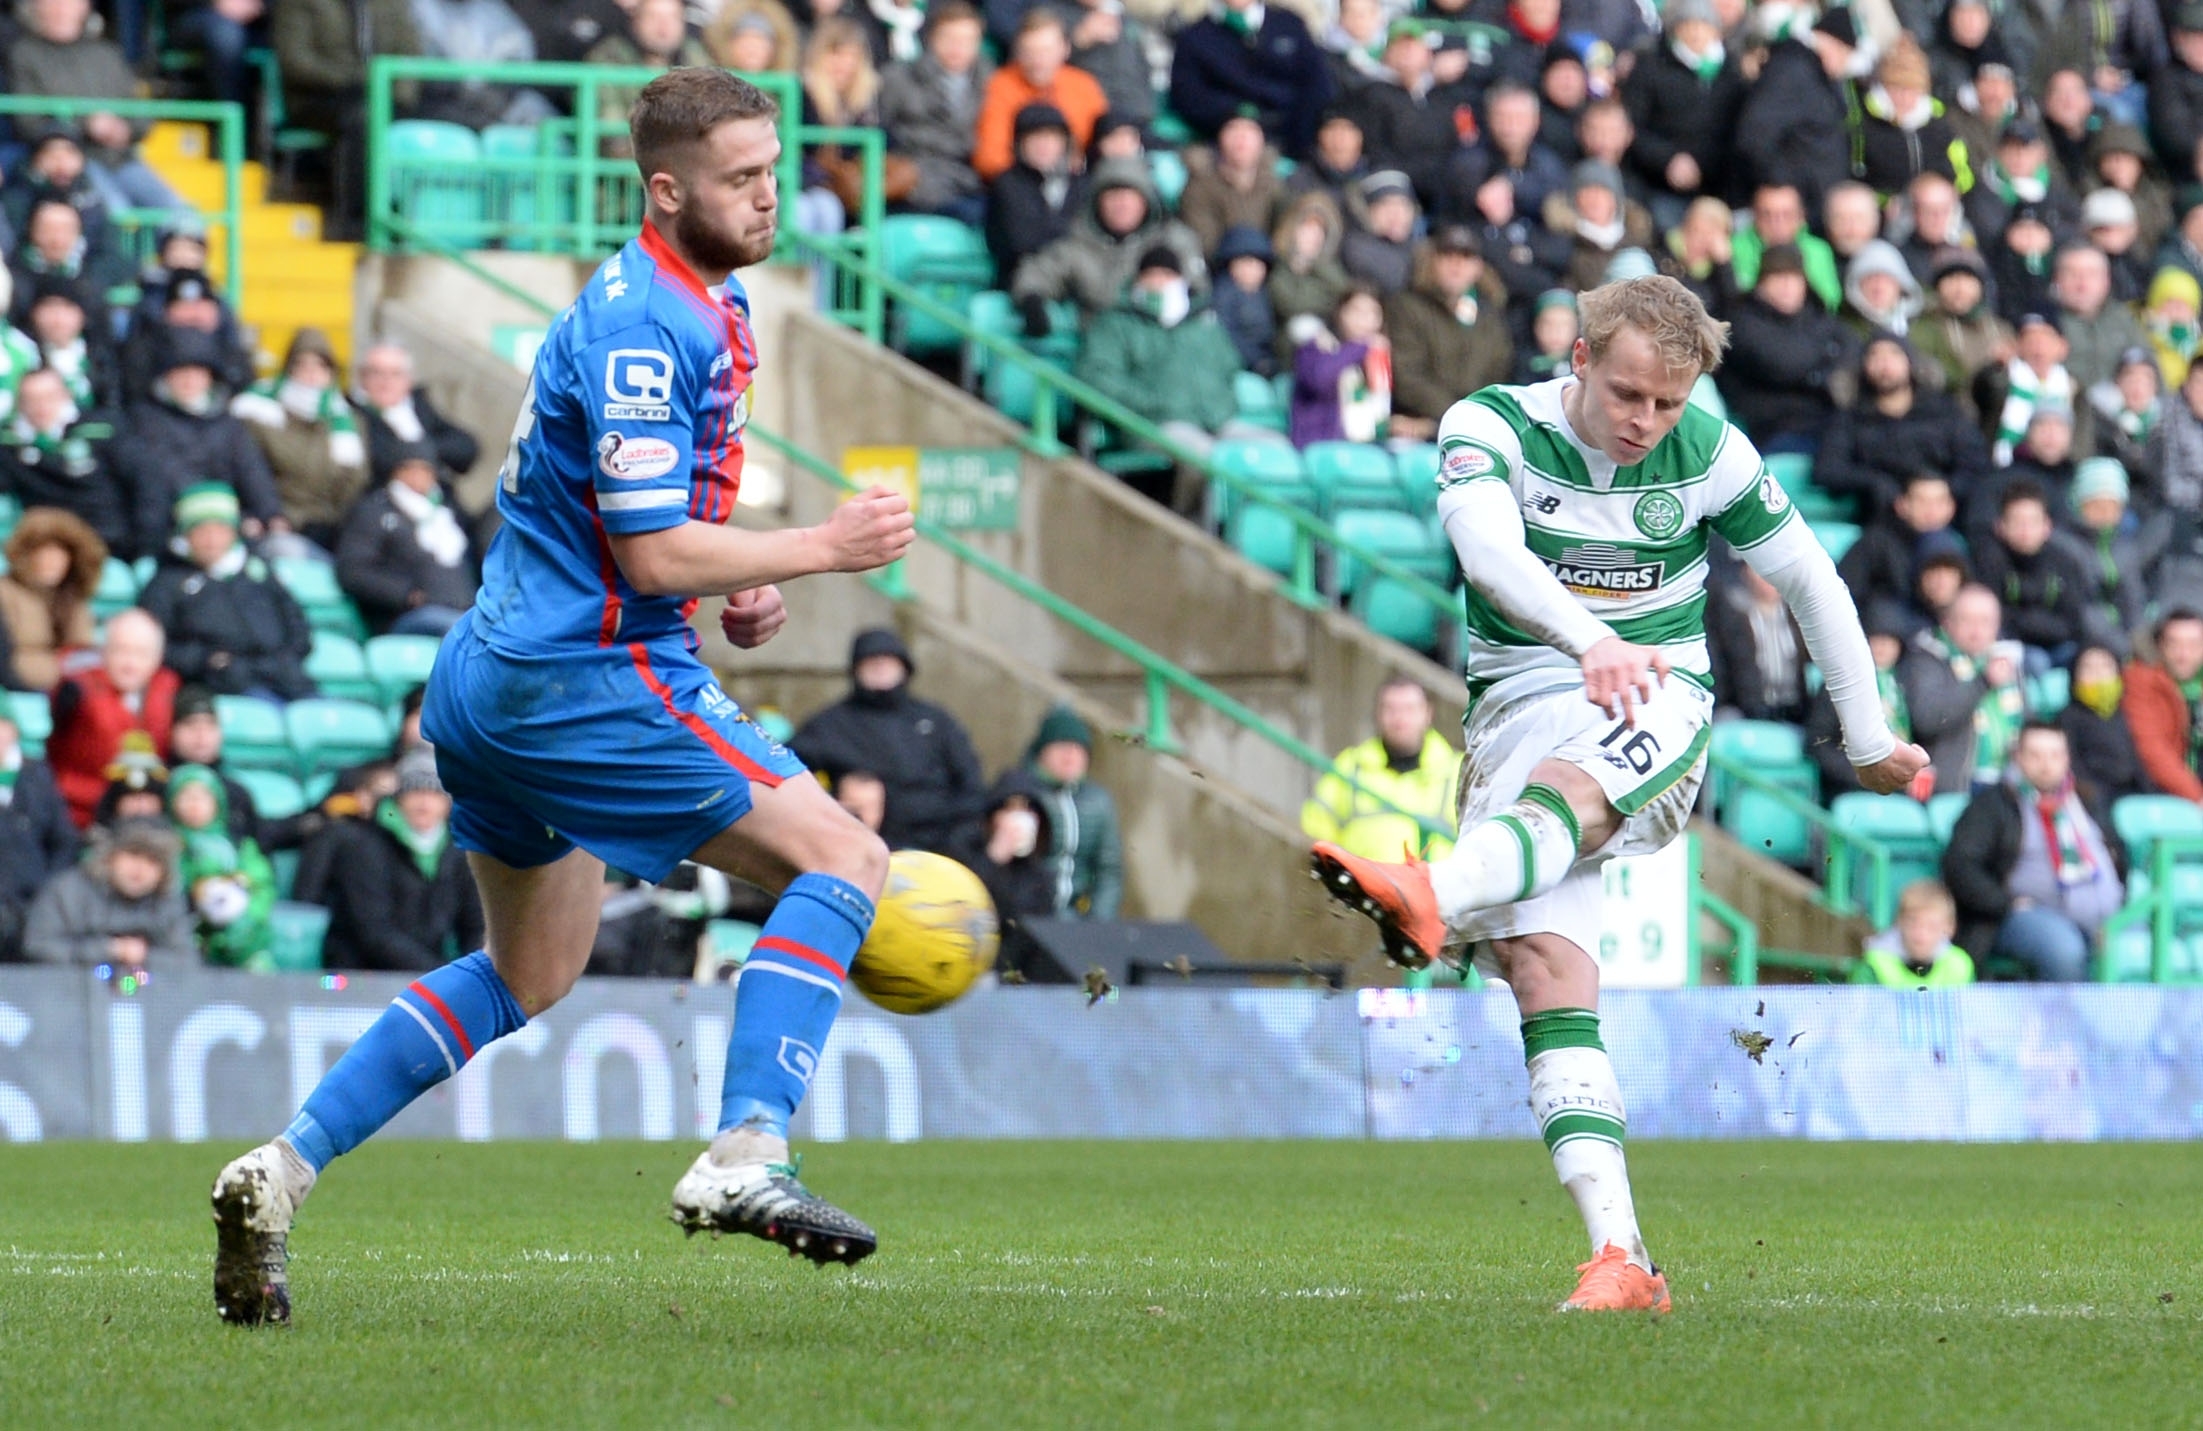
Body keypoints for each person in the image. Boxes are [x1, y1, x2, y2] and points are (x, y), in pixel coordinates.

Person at [207, 69, 920, 1328]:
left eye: (771, 168)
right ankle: (746, 1148)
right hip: (579, 681)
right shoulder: (650, 323)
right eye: (742, 179)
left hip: (496, 678)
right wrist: (820, 547)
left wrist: (739, 589)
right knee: (846, 858)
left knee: (527, 972)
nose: (771, 196)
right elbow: (648, 558)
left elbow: (656, 533)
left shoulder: (706, 303)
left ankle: (282, 1169)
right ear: (665, 189)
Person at [1310, 275, 1928, 1313]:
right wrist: (1586, 637)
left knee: (1571, 783)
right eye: (1629, 395)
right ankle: (1622, 1258)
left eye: (1668, 404)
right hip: (1517, 703)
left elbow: (1812, 582)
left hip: (1659, 698)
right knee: (1543, 976)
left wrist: (1866, 736)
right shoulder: (1489, 423)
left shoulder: (1711, 452)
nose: (1646, 422)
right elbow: (1486, 551)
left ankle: (1434, 894)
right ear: (1581, 360)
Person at [1942, 720, 2126, 980]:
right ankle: (2063, 1022)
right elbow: (1960, 864)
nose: (2046, 764)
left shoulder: (2086, 799)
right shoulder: (1995, 803)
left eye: (2055, 755)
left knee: (2147, 942)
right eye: (2035, 755)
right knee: (2064, 951)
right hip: (2023, 917)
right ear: (2018, 757)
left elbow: (2118, 854)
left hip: (2106, 914)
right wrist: (2004, 903)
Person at [792, 628, 987, 854]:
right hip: (863, 847)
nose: (880, 666)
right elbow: (789, 771)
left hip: (941, 846)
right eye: (872, 661)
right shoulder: (830, 724)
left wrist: (959, 837)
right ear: (856, 669)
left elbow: (970, 782)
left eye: (888, 660)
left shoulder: (935, 720)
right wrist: (834, 809)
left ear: (904, 667)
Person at [5, 0, 188, 213]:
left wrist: (124, 129)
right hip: (72, 163)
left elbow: (141, 115)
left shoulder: (106, 53)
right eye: (53, 3)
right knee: (116, 212)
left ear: (84, 7)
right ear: (36, 8)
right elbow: (27, 122)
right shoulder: (23, 54)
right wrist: (87, 125)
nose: (61, 9)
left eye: (69, 3)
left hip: (121, 160)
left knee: (182, 215)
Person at [138, 485, 316, 702]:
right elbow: (154, 644)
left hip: (287, 681)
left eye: (220, 529)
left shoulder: (260, 573)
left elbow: (298, 627)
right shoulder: (166, 583)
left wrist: (285, 660)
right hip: (223, 687)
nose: (212, 540)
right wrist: (207, 660)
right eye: (202, 530)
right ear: (185, 535)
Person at [316, 750, 485, 973]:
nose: (425, 803)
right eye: (416, 790)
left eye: (435, 793)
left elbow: (474, 925)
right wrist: (438, 976)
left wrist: (465, 977)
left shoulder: (460, 852)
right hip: (359, 978)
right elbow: (373, 931)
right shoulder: (362, 844)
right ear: (400, 796)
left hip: (427, 976)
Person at [121, 328, 283, 560]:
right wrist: (223, 515)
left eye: (197, 372)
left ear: (209, 377)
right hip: (172, 528)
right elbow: (162, 475)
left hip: (231, 523)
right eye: (181, 372)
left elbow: (252, 471)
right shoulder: (145, 421)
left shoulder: (229, 424)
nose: (189, 380)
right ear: (166, 376)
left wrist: (271, 514)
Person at [1814, 336, 1992, 519]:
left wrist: (1938, 492)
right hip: (1881, 519)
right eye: (1875, 356)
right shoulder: (1850, 419)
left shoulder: (1945, 413)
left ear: (1911, 363)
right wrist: (1875, 482)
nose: (1884, 365)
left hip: (1944, 518)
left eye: (1894, 355)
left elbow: (1975, 465)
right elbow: (1828, 469)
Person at [1012, 158, 1207, 323]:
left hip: (1163, 340)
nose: (1121, 205)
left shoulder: (1172, 239)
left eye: (1129, 196)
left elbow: (1197, 286)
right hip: (1101, 339)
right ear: (1097, 203)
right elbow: (1038, 272)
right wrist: (1032, 301)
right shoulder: (1077, 245)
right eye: (1112, 197)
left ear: (1146, 202)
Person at [231, 328, 370, 550]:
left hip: (328, 527)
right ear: (289, 369)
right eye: (302, 365)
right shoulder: (258, 414)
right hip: (276, 523)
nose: (311, 374)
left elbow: (353, 485)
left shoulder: (348, 423)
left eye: (320, 366)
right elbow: (250, 475)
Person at [1299, 676, 1461, 862]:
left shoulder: (1456, 770)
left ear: (1428, 714)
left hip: (1434, 889)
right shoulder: (1351, 766)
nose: (1400, 719)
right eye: (1390, 709)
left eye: (1409, 709)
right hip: (1361, 889)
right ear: (1378, 714)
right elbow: (1316, 829)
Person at [45, 608, 178, 828]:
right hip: (77, 813)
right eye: (120, 651)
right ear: (104, 652)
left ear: (157, 658)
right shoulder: (76, 689)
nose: (130, 664)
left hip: (147, 816)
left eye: (141, 653)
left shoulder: (171, 691)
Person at [1718, 243, 1855, 453]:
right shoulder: (1742, 319)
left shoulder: (1817, 313)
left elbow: (1852, 348)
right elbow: (1782, 364)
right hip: (1772, 430)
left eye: (1794, 278)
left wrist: (1818, 372)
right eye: (1778, 278)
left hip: (1829, 422)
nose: (1787, 286)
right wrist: (1825, 369)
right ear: (1761, 283)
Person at [1617, 0, 1742, 225]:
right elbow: (1631, 126)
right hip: (1658, 184)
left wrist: (1702, 164)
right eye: (1688, 25)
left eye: (1703, 26)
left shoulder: (1731, 73)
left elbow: (1735, 130)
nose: (1696, 33)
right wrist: (1668, 160)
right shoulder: (1650, 67)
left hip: (1714, 185)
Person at [1383, 226, 1512, 441]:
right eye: (1447, 256)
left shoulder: (1491, 315)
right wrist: (1457, 416)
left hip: (1479, 428)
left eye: (1466, 257)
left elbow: (1500, 373)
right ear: (1432, 261)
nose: (1457, 265)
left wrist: (1475, 417)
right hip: (1421, 428)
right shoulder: (1406, 307)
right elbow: (1407, 376)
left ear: (1478, 267)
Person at [335, 447, 479, 637]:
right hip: (405, 616)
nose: (421, 477)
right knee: (465, 635)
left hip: (462, 610)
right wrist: (407, 595)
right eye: (413, 469)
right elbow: (353, 571)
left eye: (427, 470)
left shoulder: (446, 514)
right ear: (397, 471)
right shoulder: (374, 512)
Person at [1731, 6, 1861, 215]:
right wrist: (1784, 184)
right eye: (1845, 54)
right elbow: (1754, 136)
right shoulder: (1792, 72)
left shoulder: (1819, 77)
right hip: (1791, 210)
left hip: (1816, 205)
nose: (1846, 63)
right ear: (1830, 43)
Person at [21, 817, 196, 971]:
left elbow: (186, 961)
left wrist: (144, 957)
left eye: (152, 861)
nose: (140, 869)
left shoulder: (167, 900)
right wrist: (109, 950)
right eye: (133, 854)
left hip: (151, 1000)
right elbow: (38, 946)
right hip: (65, 996)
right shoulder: (67, 891)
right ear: (109, 856)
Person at [1169, 0, 1335, 161]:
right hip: (1224, 145)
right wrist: (1237, 115)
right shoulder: (1195, 37)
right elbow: (1188, 96)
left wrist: (1299, 137)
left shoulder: (1289, 24)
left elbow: (1316, 84)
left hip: (1292, 139)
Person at [1900, 582, 2023, 793]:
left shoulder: (2004, 661)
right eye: (1967, 621)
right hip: (1955, 786)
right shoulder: (1927, 658)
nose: (1977, 631)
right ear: (1947, 622)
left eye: (1986, 622)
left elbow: (2026, 723)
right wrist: (1983, 682)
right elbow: (1928, 719)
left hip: (2008, 784)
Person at [878, 4, 992, 224]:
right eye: (950, 38)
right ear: (931, 38)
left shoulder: (992, 83)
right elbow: (882, 128)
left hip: (968, 183)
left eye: (967, 40)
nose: (957, 48)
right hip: (911, 180)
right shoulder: (898, 78)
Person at [972, 11, 1109, 183]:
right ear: (1018, 53)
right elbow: (990, 157)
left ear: (1065, 49)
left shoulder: (1084, 85)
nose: (1038, 61)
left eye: (1046, 51)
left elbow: (1105, 140)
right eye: (1030, 51)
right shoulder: (1000, 86)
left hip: (1078, 184)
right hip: (1020, 187)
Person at [1971, 481, 2096, 670]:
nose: (2025, 531)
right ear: (2000, 526)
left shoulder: (2064, 561)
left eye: (2032, 522)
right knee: (2037, 662)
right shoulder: (1989, 561)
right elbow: (1994, 618)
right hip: (2012, 647)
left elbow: (2074, 619)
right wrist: (2032, 623)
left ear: (2047, 526)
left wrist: (2029, 622)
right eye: (2017, 522)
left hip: (2061, 644)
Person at [168, 763, 277, 970]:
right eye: (186, 796)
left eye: (202, 797)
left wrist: (247, 920)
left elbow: (262, 886)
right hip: (185, 941)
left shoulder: (239, 846)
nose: (194, 804)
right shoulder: (166, 847)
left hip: (241, 941)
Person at [952, 767, 1059, 976]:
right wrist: (995, 857)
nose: (1019, 819)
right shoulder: (964, 854)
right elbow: (962, 912)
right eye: (1009, 809)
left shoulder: (1041, 878)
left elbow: (1037, 938)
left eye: (1028, 810)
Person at [1022, 705, 1122, 919]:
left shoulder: (1098, 801)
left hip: (1078, 921)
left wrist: (1098, 923)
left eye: (1078, 748)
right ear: (1042, 752)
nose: (1070, 755)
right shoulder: (1019, 793)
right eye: (1061, 746)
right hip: (1031, 919)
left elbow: (1109, 870)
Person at [582, 0, 714, 159]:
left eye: (672, 18)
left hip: (687, 170)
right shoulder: (608, 58)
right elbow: (613, 136)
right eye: (653, 17)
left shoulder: (696, 58)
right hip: (625, 175)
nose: (663, 27)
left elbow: (711, 122)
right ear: (636, 20)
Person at [0, 707, 78, 960]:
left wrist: (48, 892)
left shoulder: (36, 777)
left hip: (32, 902)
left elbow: (63, 840)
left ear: (12, 730)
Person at [984, 103, 1088, 288]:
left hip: (1075, 280)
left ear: (1065, 143)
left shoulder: (1081, 184)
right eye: (1034, 137)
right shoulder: (1006, 184)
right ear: (1019, 143)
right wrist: (1070, 236)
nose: (1043, 145)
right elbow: (1020, 241)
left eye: (1051, 137)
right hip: (1020, 281)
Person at [0, 504, 102, 693]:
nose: (52, 561)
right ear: (27, 555)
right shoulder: (5, 592)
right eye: (44, 552)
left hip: (70, 692)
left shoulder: (73, 598)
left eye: (61, 554)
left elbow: (82, 650)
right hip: (18, 687)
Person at [349, 343, 481, 485]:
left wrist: (425, 450)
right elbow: (378, 456)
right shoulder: (351, 412)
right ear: (362, 376)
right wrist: (420, 453)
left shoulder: (418, 407)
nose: (386, 382)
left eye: (395, 374)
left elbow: (465, 446)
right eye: (377, 373)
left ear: (408, 380)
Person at [1706, 561, 1811, 724]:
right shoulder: (1732, 614)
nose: (1768, 579)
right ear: (1746, 573)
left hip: (1794, 710)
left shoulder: (1798, 616)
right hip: (1743, 709)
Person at [1290, 283, 1393, 446]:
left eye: (1373, 313)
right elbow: (1320, 379)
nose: (1365, 320)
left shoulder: (1378, 356)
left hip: (1368, 447)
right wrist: (1360, 347)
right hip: (1320, 445)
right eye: (1357, 311)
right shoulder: (1315, 347)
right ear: (1340, 313)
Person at [1177, 111, 1287, 256]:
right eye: (1233, 129)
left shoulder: (1275, 185)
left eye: (1250, 130)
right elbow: (1205, 243)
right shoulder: (1200, 186)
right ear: (1220, 138)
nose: (1242, 137)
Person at [2121, 608, 2203, 801]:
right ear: (2160, 646)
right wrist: (2197, 796)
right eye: (2175, 645)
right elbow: (2152, 750)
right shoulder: (2140, 680)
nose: (2184, 655)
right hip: (2162, 789)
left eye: (2194, 646)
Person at [2060, 642, 2150, 800]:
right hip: (2094, 797)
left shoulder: (2129, 712)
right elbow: (2073, 765)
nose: (2098, 674)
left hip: (2135, 794)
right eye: (2088, 668)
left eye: (2106, 666)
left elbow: (2141, 760)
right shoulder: (2068, 717)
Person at [1851, 879, 1976, 986]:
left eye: (1932, 926)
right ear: (1899, 922)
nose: (1920, 935)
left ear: (1949, 928)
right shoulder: (1873, 965)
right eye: (1913, 924)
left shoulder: (1960, 965)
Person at [1210, 225, 1277, 375]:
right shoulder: (1223, 295)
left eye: (1259, 264)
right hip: (1239, 369)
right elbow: (1227, 335)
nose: (1254, 270)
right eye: (1247, 262)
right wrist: (1256, 361)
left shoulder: (1264, 294)